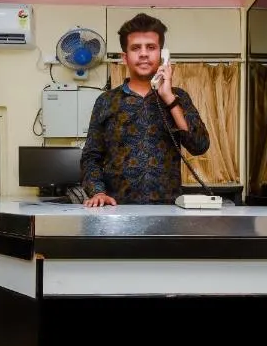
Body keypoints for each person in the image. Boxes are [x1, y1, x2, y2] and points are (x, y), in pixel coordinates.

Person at [81, 13, 210, 207]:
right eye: (135, 48)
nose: (143, 54)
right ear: (125, 58)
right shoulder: (106, 101)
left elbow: (199, 145)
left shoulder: (179, 97)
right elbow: (91, 157)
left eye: (151, 47)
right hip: (117, 210)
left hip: (168, 211)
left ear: (162, 55)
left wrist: (169, 98)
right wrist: (97, 192)